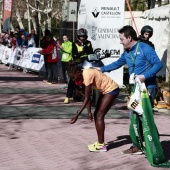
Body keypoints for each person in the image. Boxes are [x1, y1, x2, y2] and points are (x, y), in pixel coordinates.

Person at [96, 25, 163, 154]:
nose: (120, 41)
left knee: (144, 116)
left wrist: (145, 76)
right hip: (135, 89)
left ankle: (154, 144)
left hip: (147, 88)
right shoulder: (127, 52)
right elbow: (118, 63)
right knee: (134, 114)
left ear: (129, 38)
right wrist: (102, 69)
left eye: (122, 39)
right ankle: (137, 145)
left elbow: (158, 64)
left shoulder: (145, 48)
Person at [69, 64, 119, 152]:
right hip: (105, 91)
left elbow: (87, 98)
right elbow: (87, 97)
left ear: (78, 72)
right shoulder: (83, 75)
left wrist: (77, 115)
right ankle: (100, 142)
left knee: (99, 116)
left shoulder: (87, 75)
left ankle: (102, 146)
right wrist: (89, 112)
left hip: (111, 90)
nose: (73, 80)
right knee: (97, 115)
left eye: (73, 78)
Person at [64, 28, 93, 104]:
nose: (82, 38)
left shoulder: (89, 43)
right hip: (77, 64)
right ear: (78, 36)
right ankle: (67, 96)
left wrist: (90, 52)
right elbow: (74, 53)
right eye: (81, 36)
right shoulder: (74, 44)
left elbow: (91, 53)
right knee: (73, 79)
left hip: (87, 63)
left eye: (84, 36)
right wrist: (79, 54)